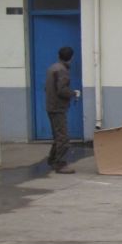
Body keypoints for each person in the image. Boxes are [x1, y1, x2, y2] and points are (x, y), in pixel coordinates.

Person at [45, 46, 78, 174]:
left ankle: (53, 159)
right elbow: (62, 90)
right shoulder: (62, 70)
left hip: (51, 105)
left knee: (57, 135)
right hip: (58, 107)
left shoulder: (52, 68)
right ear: (71, 58)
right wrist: (73, 93)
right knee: (63, 137)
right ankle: (60, 163)